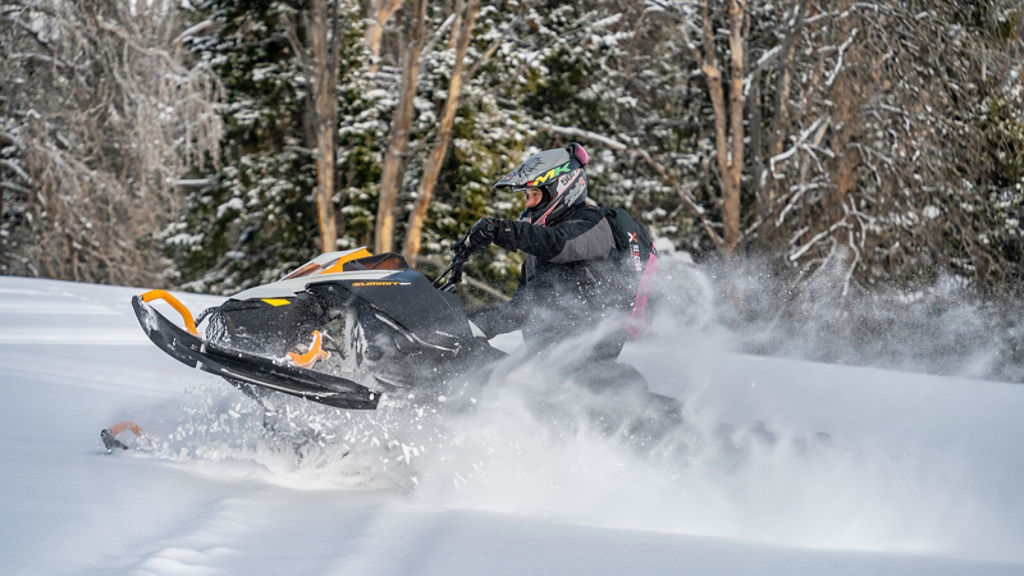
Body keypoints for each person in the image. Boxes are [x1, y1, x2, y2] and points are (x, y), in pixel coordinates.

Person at [453, 142, 639, 388]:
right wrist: (467, 327)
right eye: (527, 197)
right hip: (552, 367)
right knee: (477, 373)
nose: (528, 205)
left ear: (562, 189)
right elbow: (523, 310)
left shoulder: (591, 224)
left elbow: (559, 243)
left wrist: (499, 229)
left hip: (587, 360)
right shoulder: (538, 256)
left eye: (535, 195)